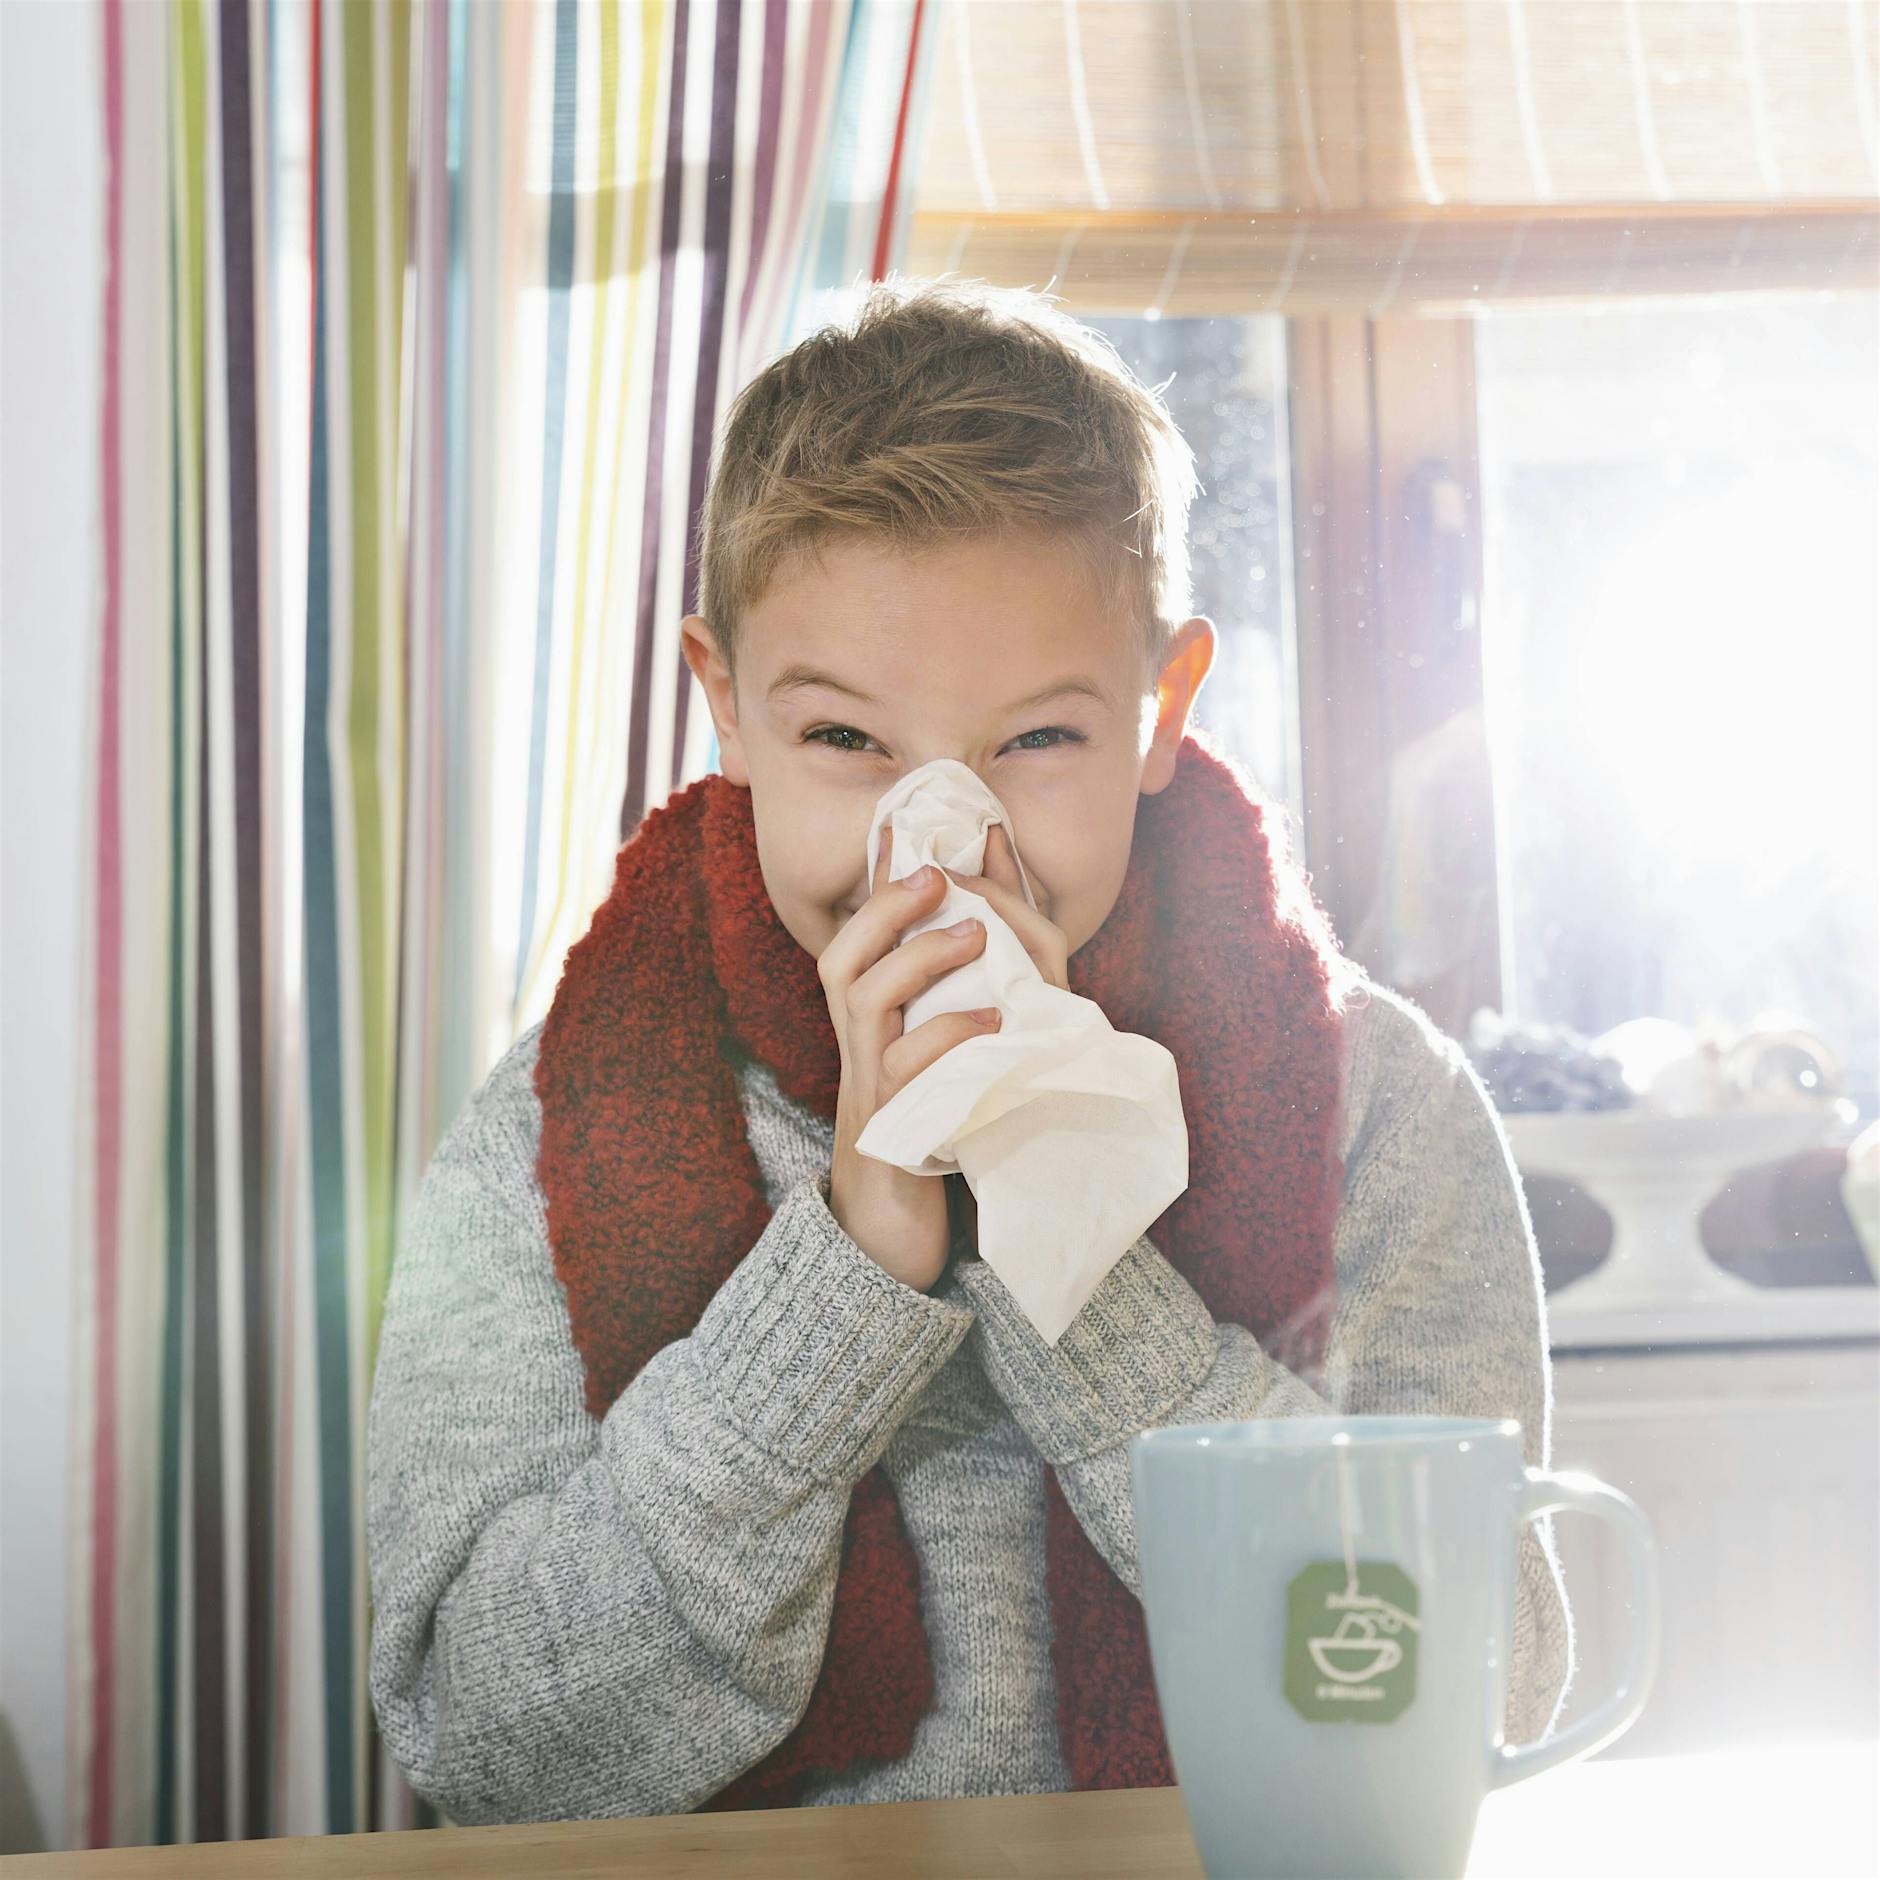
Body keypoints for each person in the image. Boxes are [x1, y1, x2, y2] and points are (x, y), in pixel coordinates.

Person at [366, 275, 1575, 1825]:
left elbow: (1496, 1685)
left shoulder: (1373, 1107)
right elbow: (483, 1749)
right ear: (726, 705)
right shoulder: (553, 1126)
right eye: (847, 742)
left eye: (1040, 739)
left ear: (1161, 709)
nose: (941, 842)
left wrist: (1057, 1216)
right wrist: (849, 1265)